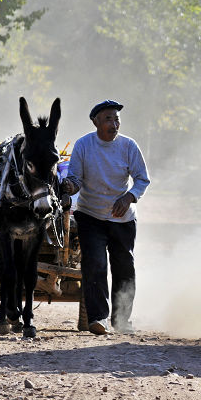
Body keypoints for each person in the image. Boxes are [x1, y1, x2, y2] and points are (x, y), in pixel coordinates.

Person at [61, 100, 150, 335]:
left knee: (124, 268)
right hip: (90, 215)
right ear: (96, 122)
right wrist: (69, 186)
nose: (114, 123)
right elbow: (76, 179)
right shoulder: (83, 145)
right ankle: (98, 318)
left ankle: (122, 320)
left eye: (117, 119)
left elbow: (142, 179)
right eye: (108, 119)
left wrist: (129, 197)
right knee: (96, 265)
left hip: (123, 218)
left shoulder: (129, 146)